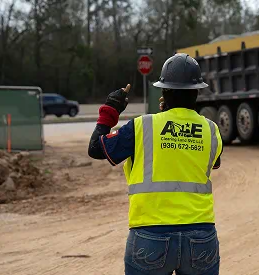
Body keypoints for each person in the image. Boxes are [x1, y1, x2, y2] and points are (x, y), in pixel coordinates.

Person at [88, 53, 223, 275]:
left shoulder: (142, 126)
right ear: (197, 92)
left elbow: (95, 148)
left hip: (151, 234)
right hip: (201, 235)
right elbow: (203, 160)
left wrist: (110, 110)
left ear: (164, 91)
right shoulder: (211, 130)